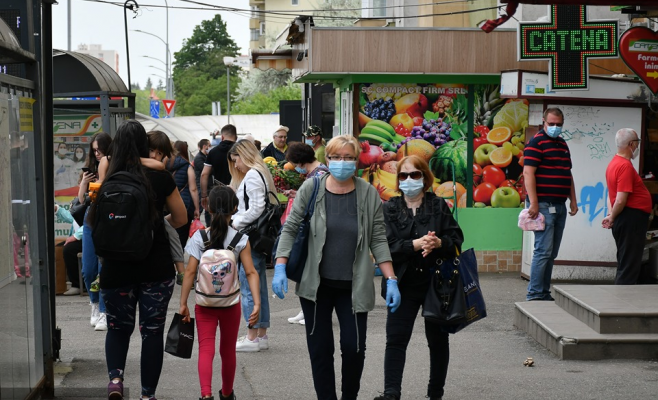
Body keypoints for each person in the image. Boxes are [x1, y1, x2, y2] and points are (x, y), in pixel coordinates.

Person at [271, 135, 401, 400]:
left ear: (356, 162)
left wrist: (391, 279)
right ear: (327, 159)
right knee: (320, 350)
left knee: (353, 349)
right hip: (316, 286)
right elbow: (291, 228)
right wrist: (280, 266)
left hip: (353, 286)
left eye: (348, 158)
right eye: (337, 157)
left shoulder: (367, 193)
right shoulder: (312, 189)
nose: (342, 163)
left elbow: (378, 237)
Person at [93, 120, 187, 400]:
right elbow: (181, 218)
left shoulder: (107, 176)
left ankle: (116, 380)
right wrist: (154, 223)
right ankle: (147, 395)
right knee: (152, 333)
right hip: (155, 266)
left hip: (115, 267)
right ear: (145, 147)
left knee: (117, 328)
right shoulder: (160, 178)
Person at [375, 155, 464, 400]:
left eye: (415, 174)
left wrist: (438, 242)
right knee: (395, 339)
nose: (409, 179)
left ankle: (435, 393)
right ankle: (391, 393)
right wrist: (414, 245)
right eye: (403, 175)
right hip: (402, 283)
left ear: (424, 178)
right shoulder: (389, 207)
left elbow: (456, 239)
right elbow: (384, 246)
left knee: (437, 341)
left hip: (436, 284)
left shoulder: (437, 205)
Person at [180, 185, 261, 400]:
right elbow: (251, 272)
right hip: (230, 303)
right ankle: (227, 394)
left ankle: (205, 395)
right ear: (234, 208)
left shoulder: (199, 237)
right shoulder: (240, 240)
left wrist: (183, 303)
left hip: (204, 303)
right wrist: (257, 303)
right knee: (228, 351)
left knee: (206, 349)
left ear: (209, 207)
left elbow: (189, 272)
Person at [227, 139, 278, 352]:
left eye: (236, 159)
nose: (236, 165)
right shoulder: (260, 172)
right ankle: (260, 334)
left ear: (244, 155)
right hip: (258, 237)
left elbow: (256, 208)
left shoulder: (252, 175)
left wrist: (234, 222)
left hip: (250, 237)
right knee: (258, 286)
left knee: (249, 286)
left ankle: (252, 336)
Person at [523, 107, 578, 301]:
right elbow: (528, 173)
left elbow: (567, 172)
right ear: (543, 122)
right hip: (544, 204)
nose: (555, 127)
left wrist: (573, 199)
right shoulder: (536, 143)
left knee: (551, 252)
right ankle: (535, 293)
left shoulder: (562, 143)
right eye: (551, 124)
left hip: (560, 204)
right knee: (543, 250)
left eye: (559, 124)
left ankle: (543, 292)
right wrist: (534, 203)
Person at [282, 141, 330, 326]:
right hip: (315, 228)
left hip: (317, 230)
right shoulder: (318, 172)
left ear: (300, 162)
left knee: (314, 271)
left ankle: (313, 310)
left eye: (294, 164)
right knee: (309, 271)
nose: (294, 168)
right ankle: (306, 309)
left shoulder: (318, 174)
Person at [602, 128, 652, 285]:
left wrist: (611, 215)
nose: (637, 147)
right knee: (629, 264)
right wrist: (612, 216)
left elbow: (611, 197)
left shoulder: (613, 164)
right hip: (631, 219)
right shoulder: (625, 166)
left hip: (626, 218)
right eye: (637, 143)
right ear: (631, 144)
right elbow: (620, 200)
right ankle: (622, 301)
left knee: (626, 260)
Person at [79, 132, 112, 330]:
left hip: (107, 219)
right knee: (88, 268)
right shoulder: (91, 168)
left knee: (103, 267)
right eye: (94, 150)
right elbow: (81, 201)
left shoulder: (113, 167)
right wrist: (84, 181)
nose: (97, 153)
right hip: (90, 219)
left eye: (100, 150)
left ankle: (103, 310)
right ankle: (93, 304)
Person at [147, 131, 187, 285]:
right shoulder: (163, 176)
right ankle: (181, 270)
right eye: (151, 150)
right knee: (171, 233)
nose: (153, 155)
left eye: (159, 153)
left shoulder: (125, 166)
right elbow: (181, 218)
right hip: (158, 260)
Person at [166, 140, 201, 251]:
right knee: (180, 237)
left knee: (166, 233)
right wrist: (197, 208)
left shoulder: (163, 164)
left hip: (166, 205)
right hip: (184, 206)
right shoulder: (187, 166)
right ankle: (178, 262)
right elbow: (193, 189)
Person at [201, 124, 237, 213]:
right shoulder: (241, 151)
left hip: (218, 191)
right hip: (237, 190)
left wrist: (204, 195)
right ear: (235, 137)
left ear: (222, 137)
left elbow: (204, 174)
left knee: (218, 217)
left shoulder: (213, 152)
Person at [56, 200, 84, 296]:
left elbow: (90, 223)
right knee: (57, 248)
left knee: (69, 249)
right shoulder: (79, 202)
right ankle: (58, 285)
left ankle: (77, 285)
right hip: (80, 237)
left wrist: (76, 236)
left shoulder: (93, 201)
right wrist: (57, 209)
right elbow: (72, 218)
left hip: (89, 238)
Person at [195, 139, 212, 226]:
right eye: (209, 145)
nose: (210, 147)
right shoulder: (199, 158)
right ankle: (196, 224)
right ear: (205, 146)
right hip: (200, 186)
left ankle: (208, 226)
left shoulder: (204, 157)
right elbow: (205, 172)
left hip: (205, 186)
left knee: (206, 208)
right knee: (202, 207)